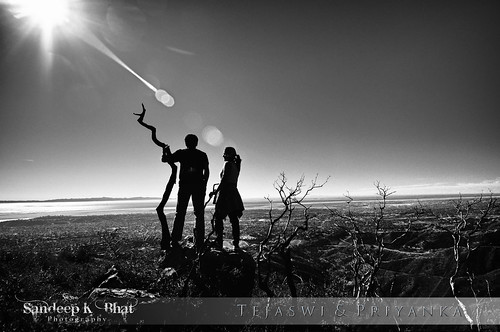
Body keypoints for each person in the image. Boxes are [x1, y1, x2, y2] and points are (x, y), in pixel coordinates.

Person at [163, 134, 209, 251]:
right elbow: (207, 171)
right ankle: (199, 240)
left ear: (186, 142)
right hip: (199, 186)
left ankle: (175, 239)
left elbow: (165, 159)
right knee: (199, 214)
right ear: (197, 142)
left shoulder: (182, 153)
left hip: (184, 186)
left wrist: (166, 151)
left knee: (180, 212)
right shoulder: (202, 155)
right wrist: (204, 184)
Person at [211, 147, 244, 250]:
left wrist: (216, 192)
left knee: (218, 218)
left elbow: (224, 179)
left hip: (225, 193)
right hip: (234, 193)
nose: (223, 156)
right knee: (234, 219)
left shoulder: (227, 164)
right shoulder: (236, 165)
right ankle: (236, 244)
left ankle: (219, 242)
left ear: (228, 155)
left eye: (224, 154)